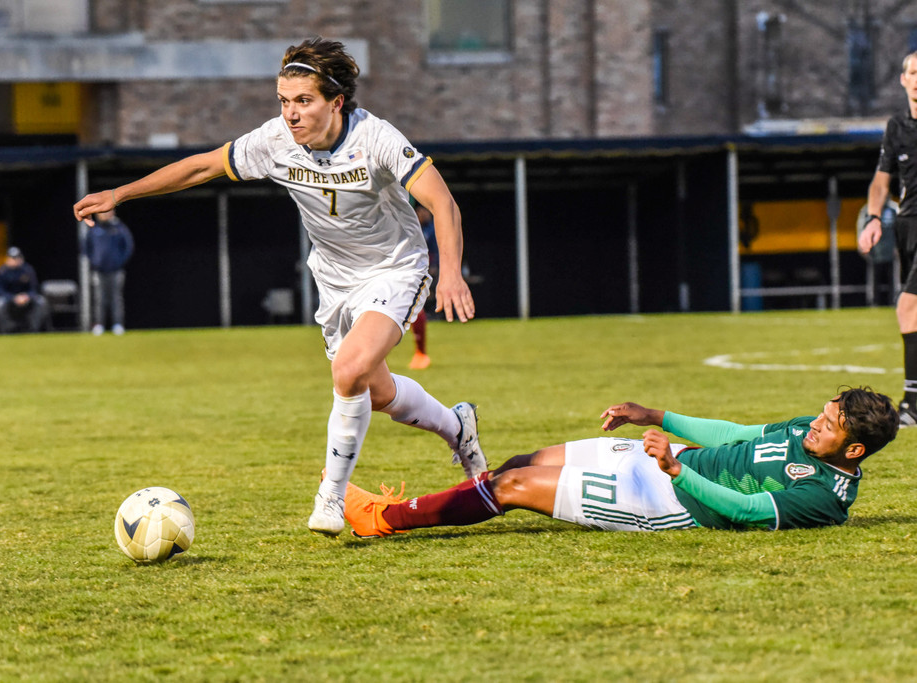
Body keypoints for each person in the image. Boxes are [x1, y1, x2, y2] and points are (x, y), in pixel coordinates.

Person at [72, 37, 486, 536]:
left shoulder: (376, 138)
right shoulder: (275, 141)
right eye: (284, 101)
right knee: (372, 391)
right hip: (334, 280)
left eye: (303, 101)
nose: (291, 114)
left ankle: (330, 498)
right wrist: (119, 193)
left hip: (394, 268)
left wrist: (451, 272)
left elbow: (443, 203)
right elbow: (203, 165)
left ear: (335, 102)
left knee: (350, 370)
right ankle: (457, 427)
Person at [340, 387, 899, 537]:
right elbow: (736, 433)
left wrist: (678, 474)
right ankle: (434, 506)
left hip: (668, 498)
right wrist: (653, 415)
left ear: (854, 451)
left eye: (829, 427)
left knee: (511, 486)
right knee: (523, 459)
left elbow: (750, 511)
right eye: (822, 415)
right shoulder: (807, 431)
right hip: (671, 458)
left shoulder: (825, 499)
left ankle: (385, 519)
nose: (815, 426)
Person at [859, 50, 917, 426]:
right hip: (908, 225)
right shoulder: (896, 127)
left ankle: (912, 404)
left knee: (907, 306)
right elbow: (882, 180)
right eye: (913, 72)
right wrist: (874, 217)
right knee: (914, 314)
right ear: (903, 79)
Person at [85, 207, 135, 336]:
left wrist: (119, 262)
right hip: (99, 271)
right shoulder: (94, 229)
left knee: (116, 298)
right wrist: (94, 262)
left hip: (116, 270)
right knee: (99, 299)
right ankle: (99, 325)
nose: (104, 215)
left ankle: (118, 324)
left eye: (107, 212)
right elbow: (86, 247)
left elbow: (128, 246)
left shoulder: (119, 228)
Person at [0, 247, 47, 334]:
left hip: (26, 297)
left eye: (16, 258)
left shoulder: (28, 269)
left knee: (41, 301)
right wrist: (13, 297)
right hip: (10, 297)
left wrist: (26, 296)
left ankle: (33, 329)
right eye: (12, 258)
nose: (14, 260)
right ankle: (6, 330)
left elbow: (34, 288)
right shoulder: (3, 271)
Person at [408, 203, 438, 370]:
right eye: (420, 211)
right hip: (402, 269)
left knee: (417, 307)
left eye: (424, 211)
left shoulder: (431, 229)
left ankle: (421, 353)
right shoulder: (408, 225)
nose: (422, 214)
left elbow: (435, 248)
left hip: (420, 269)